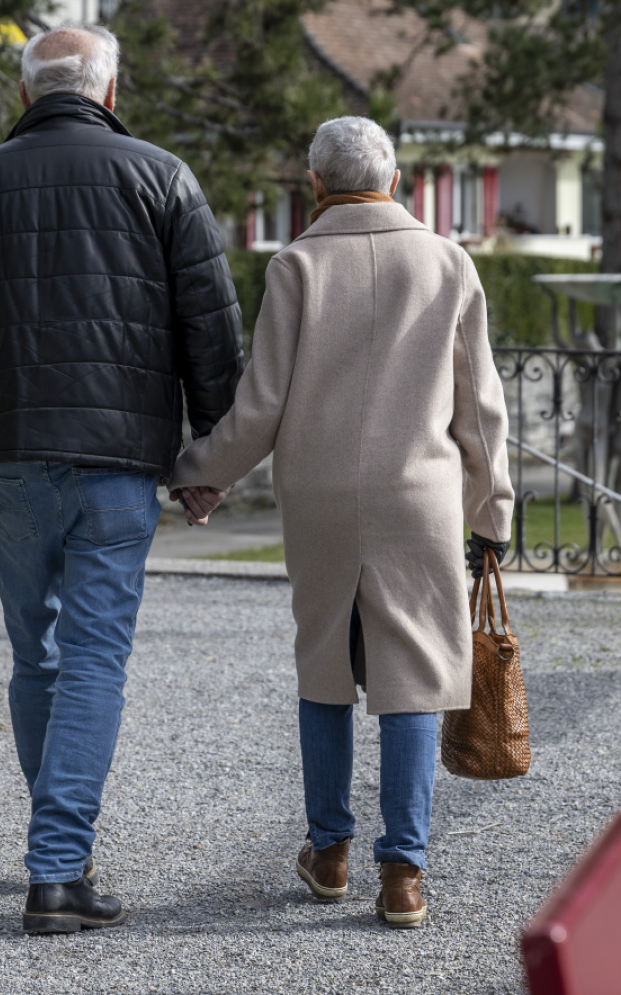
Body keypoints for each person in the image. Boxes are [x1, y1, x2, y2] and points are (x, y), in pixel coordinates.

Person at [0, 24, 243, 934]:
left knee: (35, 656)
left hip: (8, 460)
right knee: (94, 662)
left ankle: (57, 848)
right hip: (118, 467)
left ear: (28, 94)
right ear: (111, 92)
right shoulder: (164, 177)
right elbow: (213, 336)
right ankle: (58, 866)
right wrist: (211, 464)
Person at [170, 115, 513, 929]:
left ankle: (329, 853)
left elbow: (260, 407)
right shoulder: (446, 262)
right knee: (419, 673)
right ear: (395, 180)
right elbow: (480, 409)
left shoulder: (295, 265)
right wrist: (492, 510)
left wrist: (200, 476)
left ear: (317, 185)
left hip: (320, 495)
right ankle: (404, 874)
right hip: (418, 497)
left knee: (325, 666)